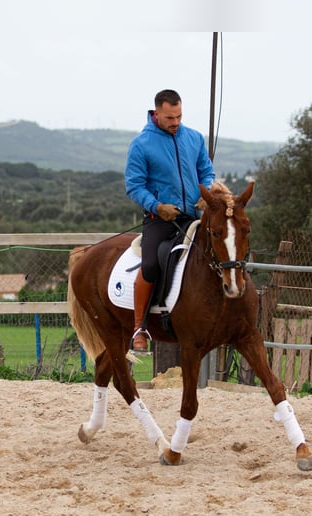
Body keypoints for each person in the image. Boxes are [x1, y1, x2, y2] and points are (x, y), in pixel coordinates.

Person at [124, 89, 216, 353]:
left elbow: (206, 172)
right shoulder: (141, 144)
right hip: (160, 220)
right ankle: (139, 327)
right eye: (169, 118)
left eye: (179, 116)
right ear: (156, 113)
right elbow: (134, 186)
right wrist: (157, 206)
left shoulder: (195, 138)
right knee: (152, 265)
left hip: (195, 216)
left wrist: (205, 192)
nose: (175, 122)